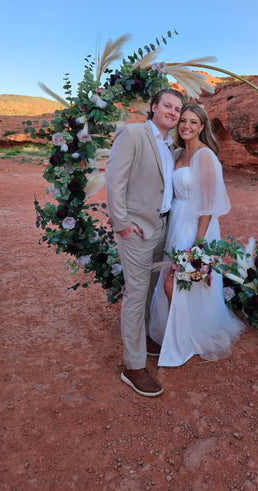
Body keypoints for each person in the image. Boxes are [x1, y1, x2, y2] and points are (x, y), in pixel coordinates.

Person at [149, 104, 245, 367]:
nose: (187, 126)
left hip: (196, 227)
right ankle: (178, 332)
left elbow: (209, 204)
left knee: (178, 281)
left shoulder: (206, 156)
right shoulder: (177, 153)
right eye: (183, 121)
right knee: (176, 281)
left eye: (193, 122)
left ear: (202, 127)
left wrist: (199, 242)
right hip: (176, 222)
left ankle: (188, 336)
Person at [105, 88, 185, 397]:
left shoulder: (170, 145)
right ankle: (133, 366)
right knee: (137, 294)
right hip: (136, 232)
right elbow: (115, 180)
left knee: (150, 290)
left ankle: (144, 340)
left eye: (177, 109)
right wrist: (122, 224)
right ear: (154, 107)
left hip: (161, 228)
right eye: (168, 105)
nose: (173, 112)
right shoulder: (133, 133)